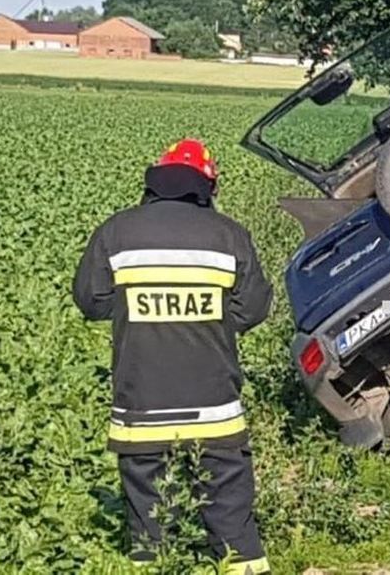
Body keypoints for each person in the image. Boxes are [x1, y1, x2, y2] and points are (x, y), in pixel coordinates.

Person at [73, 139, 274, 573]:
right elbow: (254, 307)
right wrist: (209, 324)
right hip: (216, 410)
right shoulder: (229, 236)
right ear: (207, 187)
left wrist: (137, 314)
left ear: (156, 180)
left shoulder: (116, 231)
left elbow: (91, 301)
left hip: (142, 407)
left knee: (150, 524)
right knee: (232, 521)